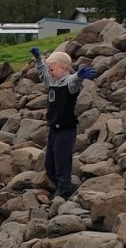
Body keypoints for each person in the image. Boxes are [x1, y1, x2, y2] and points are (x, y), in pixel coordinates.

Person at [31, 47, 96, 199]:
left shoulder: (69, 83)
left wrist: (79, 75)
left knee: (62, 163)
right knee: (49, 164)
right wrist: (38, 59)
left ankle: (64, 190)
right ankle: (64, 187)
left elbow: (74, 80)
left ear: (63, 68)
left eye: (52, 69)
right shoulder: (52, 82)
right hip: (53, 129)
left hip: (66, 131)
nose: (50, 72)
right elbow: (42, 72)